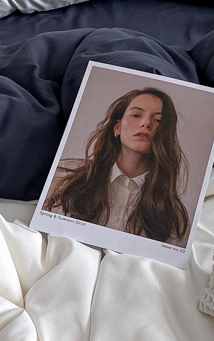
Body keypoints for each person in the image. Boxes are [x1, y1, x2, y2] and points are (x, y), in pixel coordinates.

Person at [43, 88, 189, 243]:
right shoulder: (65, 177)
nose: (146, 123)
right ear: (117, 127)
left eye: (158, 120)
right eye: (136, 115)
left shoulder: (172, 215)